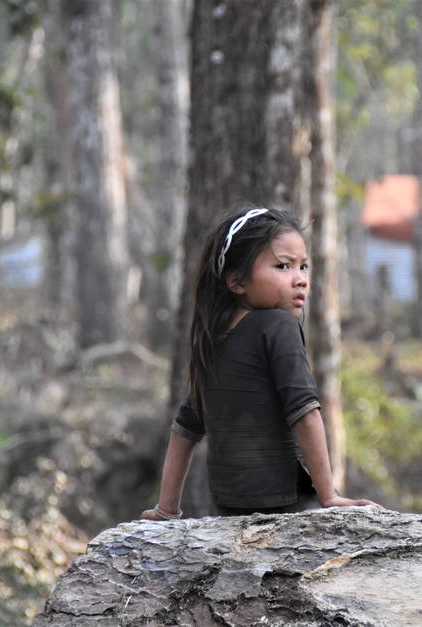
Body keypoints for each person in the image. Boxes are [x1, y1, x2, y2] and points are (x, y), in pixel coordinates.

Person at [141, 207, 379, 520]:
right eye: (283, 266)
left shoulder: (215, 336)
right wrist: (329, 495)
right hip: (286, 506)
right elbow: (305, 411)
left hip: (230, 507)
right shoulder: (277, 326)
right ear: (237, 281)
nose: (301, 280)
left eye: (304, 267)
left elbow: (185, 430)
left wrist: (167, 509)